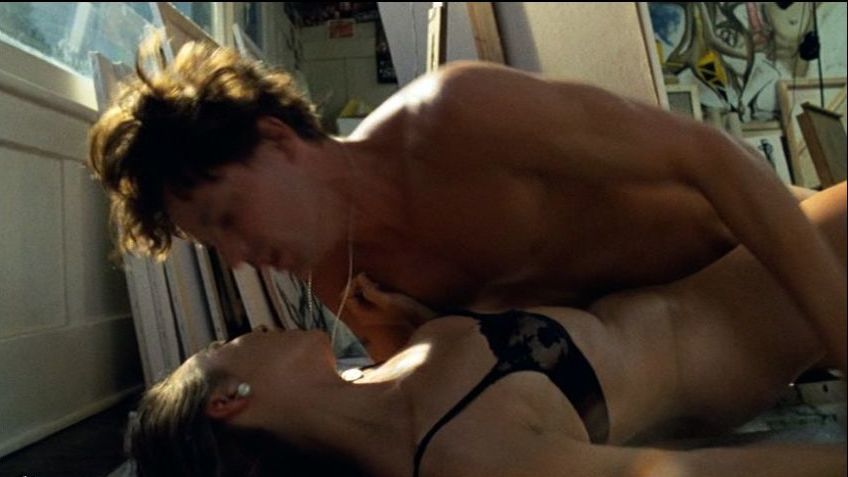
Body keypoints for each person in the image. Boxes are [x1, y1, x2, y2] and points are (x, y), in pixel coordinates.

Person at [88, 40, 846, 366]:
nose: (238, 257)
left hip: (782, 255)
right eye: (214, 246)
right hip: (701, 350)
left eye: (226, 217)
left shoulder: (454, 118)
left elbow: (710, 154)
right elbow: (453, 387)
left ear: (277, 139)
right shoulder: (336, 273)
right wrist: (418, 335)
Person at [127, 183, 847, 477]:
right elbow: (694, 475)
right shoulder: (460, 455)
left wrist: (412, 328)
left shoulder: (375, 376)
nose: (245, 330)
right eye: (220, 348)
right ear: (230, 399)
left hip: (716, 278)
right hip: (738, 329)